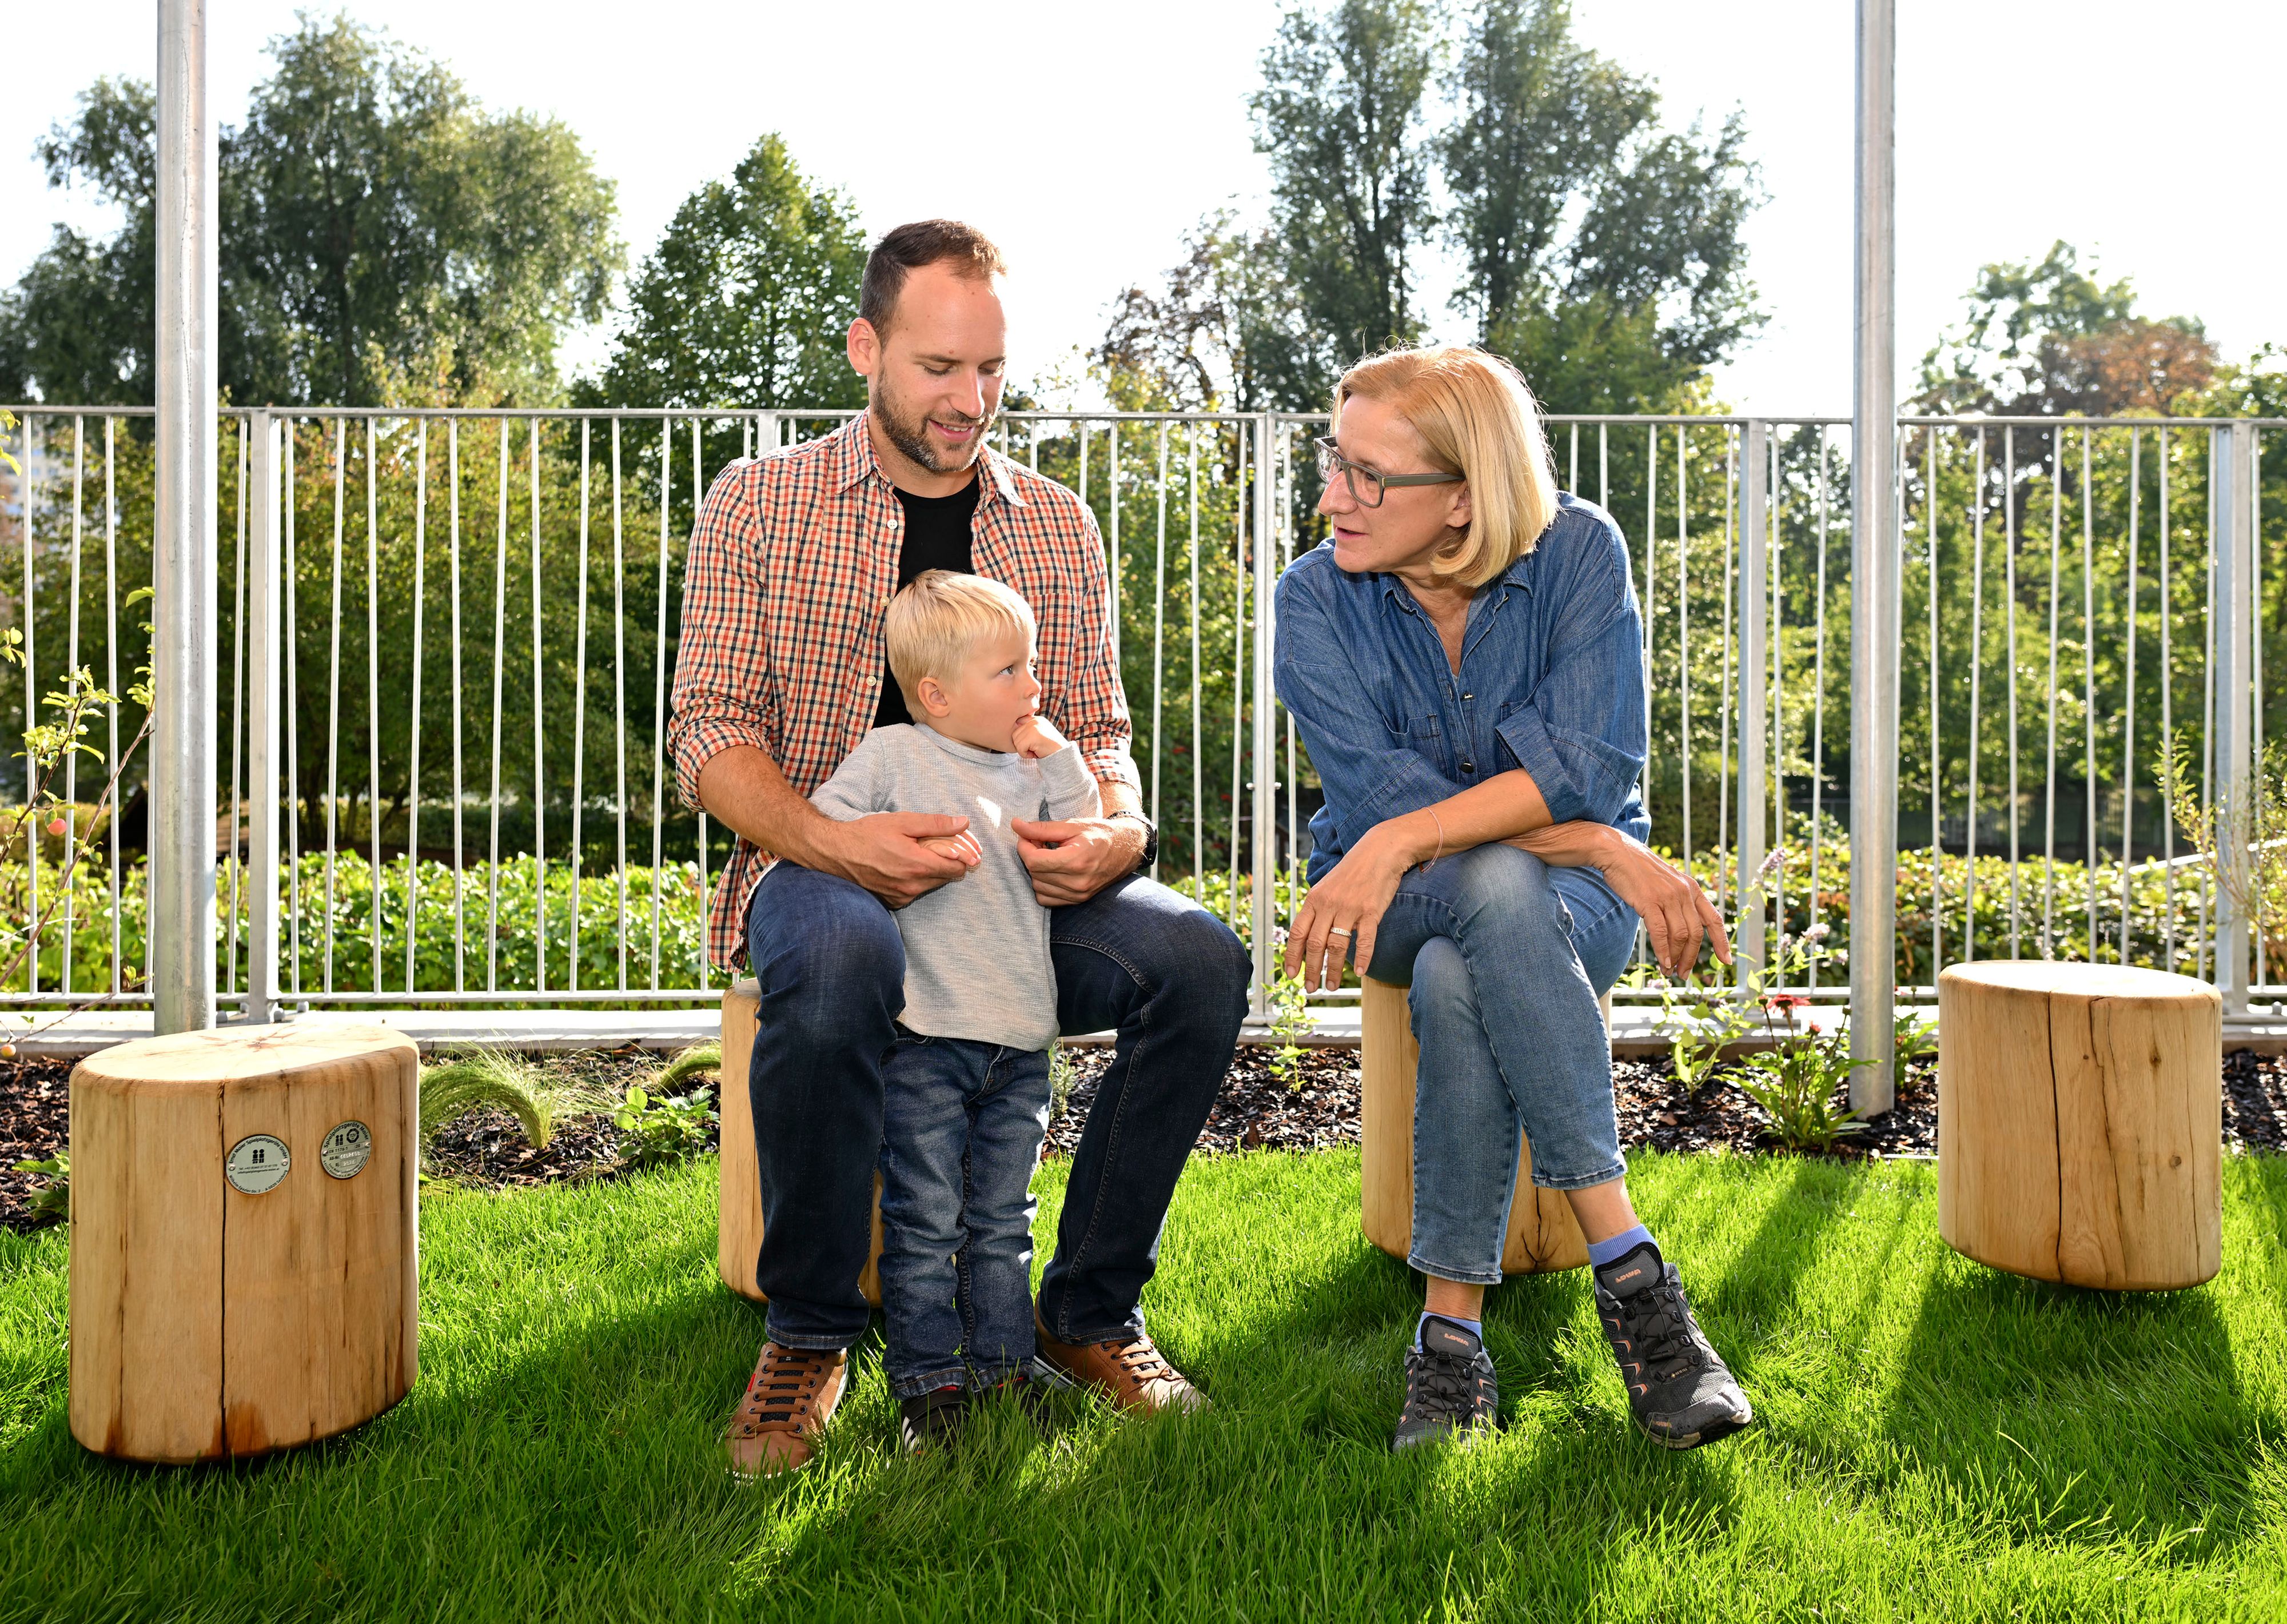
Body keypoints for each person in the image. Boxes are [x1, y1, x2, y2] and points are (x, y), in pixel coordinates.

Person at [670, 220, 1249, 1477]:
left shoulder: (1058, 525)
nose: (970, 399)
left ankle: (1086, 1310)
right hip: (820, 872)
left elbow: (1099, 730)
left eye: (989, 369)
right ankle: (811, 1332)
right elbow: (708, 729)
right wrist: (837, 843)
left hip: (1017, 898)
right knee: (839, 959)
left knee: (1200, 960)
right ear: (864, 348)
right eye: (939, 367)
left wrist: (1117, 833)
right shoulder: (757, 503)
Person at [1274, 344, 1752, 1454]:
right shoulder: (1313, 599)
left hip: (1568, 904)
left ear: (1462, 499)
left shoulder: (1579, 551)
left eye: (1366, 476)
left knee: (1464, 964)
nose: (1331, 497)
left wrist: (1432, 831)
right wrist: (1596, 841)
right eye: (1334, 462)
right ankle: (1635, 1280)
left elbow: (1585, 760)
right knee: (1483, 888)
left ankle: (1449, 1347)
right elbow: (1388, 801)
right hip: (1395, 900)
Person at [808, 570, 1103, 1454]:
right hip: (927, 1038)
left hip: (1020, 1044)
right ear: (936, 694)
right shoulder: (893, 754)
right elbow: (829, 828)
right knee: (927, 1220)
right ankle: (929, 1385)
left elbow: (1086, 824)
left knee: (1003, 1222)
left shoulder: (1030, 769)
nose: (1033, 684)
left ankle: (1005, 1369)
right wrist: (878, 853)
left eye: (1031, 664)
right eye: (1009, 670)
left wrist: (1061, 757)